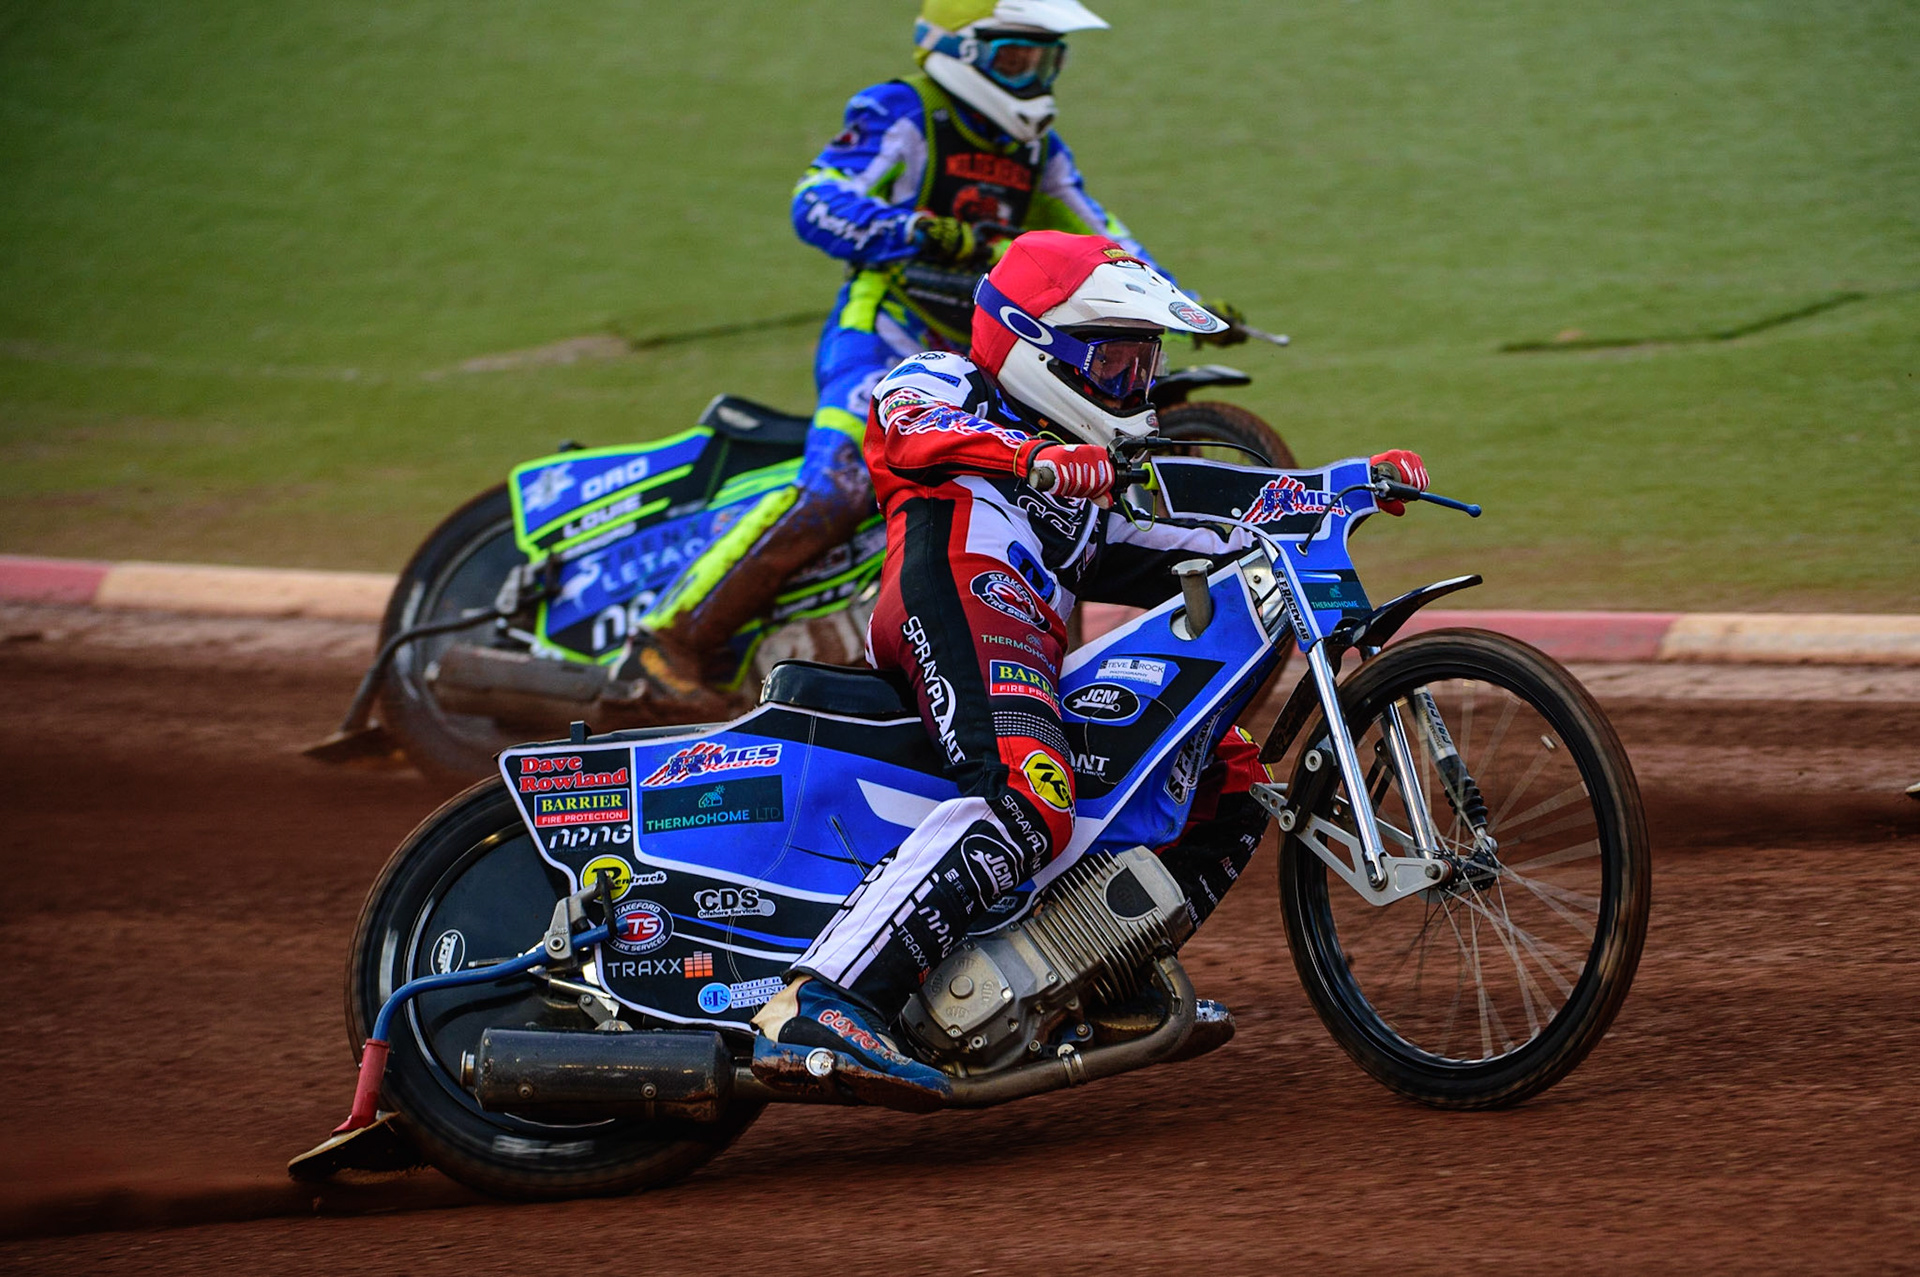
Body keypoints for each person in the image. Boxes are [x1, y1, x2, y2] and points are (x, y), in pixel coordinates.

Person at [752, 231, 1430, 1108]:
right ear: (1038, 349)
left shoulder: (1088, 487)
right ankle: (821, 1002)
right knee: (1032, 794)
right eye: (1112, 362)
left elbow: (1206, 526)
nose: (1132, 388)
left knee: (1225, 774)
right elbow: (908, 427)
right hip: (953, 603)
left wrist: (1340, 487)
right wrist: (1035, 457)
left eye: (1140, 365)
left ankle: (1098, 973)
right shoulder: (945, 379)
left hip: (1027, 642)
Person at [611, 0, 1243, 720]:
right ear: (959, 51)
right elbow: (815, 200)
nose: (1033, 76)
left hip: (988, 352)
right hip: (886, 328)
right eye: (1015, 58)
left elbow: (1104, 238)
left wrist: (1180, 306)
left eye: (1046, 59)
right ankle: (668, 643)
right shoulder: (904, 111)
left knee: (1043, 505)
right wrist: (917, 230)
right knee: (839, 483)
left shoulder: (1038, 150)